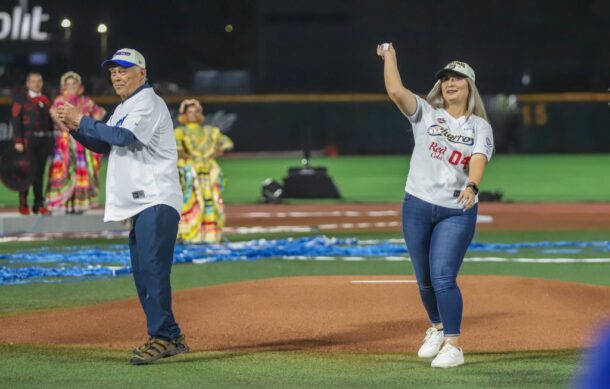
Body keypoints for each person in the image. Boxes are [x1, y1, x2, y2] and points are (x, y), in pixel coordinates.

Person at [56, 48, 188, 365]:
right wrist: (74, 128)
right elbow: (102, 143)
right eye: (113, 71)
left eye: (124, 70)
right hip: (141, 202)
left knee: (153, 271)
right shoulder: (125, 107)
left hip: (156, 197)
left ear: (142, 73)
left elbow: (122, 137)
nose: (116, 76)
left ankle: (163, 337)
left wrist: (82, 119)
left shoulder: (148, 102)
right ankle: (169, 334)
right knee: (143, 273)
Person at [377, 43, 494, 368]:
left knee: (443, 275)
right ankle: (438, 328)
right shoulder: (426, 113)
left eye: (457, 78)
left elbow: (479, 159)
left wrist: (473, 185)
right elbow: (395, 90)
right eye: (445, 79)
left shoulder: (479, 126)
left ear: (469, 86)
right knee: (424, 277)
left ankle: (454, 346)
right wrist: (390, 57)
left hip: (456, 210)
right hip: (416, 204)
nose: (450, 83)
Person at [46, 71, 107, 214]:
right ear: (64, 87)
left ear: (80, 87)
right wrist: (71, 131)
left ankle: (78, 203)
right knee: (65, 170)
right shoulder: (60, 101)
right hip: (66, 143)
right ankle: (66, 203)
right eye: (68, 84)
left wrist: (88, 127)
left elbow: (99, 113)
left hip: (82, 141)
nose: (72, 87)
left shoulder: (85, 101)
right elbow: (57, 118)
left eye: (74, 84)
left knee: (81, 171)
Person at [175, 99, 234, 243]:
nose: (192, 115)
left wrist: (215, 154)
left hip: (209, 171)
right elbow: (175, 149)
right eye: (189, 112)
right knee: (191, 200)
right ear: (184, 114)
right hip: (191, 173)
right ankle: (190, 234)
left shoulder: (210, 131)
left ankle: (210, 234)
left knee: (211, 200)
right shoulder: (179, 132)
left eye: (196, 112)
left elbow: (227, 143)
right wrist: (188, 158)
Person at [10, 72, 54, 215]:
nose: (36, 84)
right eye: (33, 81)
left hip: (43, 141)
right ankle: (23, 203)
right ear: (27, 84)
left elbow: (50, 122)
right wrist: (18, 141)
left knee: (40, 173)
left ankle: (38, 204)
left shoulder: (46, 100)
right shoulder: (20, 99)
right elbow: (15, 121)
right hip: (27, 141)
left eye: (39, 81)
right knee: (26, 172)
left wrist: (51, 140)